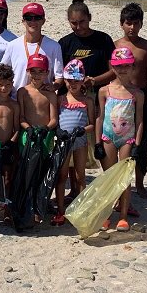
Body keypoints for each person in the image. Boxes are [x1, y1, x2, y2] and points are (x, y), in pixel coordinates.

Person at [95, 47, 145, 231]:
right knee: (109, 178)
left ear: (132, 67)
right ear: (112, 67)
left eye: (126, 66)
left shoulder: (137, 94)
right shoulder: (104, 91)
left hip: (127, 139)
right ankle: (106, 214)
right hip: (108, 137)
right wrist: (98, 141)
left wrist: (138, 144)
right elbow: (100, 117)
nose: (122, 69)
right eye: (118, 66)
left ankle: (123, 215)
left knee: (124, 178)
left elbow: (139, 121)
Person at [114, 3, 147, 198]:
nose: (132, 27)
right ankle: (120, 184)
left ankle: (140, 184)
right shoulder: (115, 45)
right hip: (120, 98)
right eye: (128, 23)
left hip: (142, 96)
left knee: (141, 145)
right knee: (120, 140)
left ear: (141, 24)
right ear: (122, 24)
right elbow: (111, 74)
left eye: (136, 23)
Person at [53, 59, 95, 225]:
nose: (73, 84)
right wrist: (58, 130)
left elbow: (92, 123)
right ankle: (60, 210)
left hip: (80, 141)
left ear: (82, 80)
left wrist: (83, 130)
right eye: (70, 80)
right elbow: (55, 119)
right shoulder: (60, 99)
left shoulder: (88, 101)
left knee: (80, 176)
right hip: (63, 142)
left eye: (77, 80)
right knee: (62, 176)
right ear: (65, 80)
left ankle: (81, 209)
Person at [0, 3, 64, 89]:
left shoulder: (54, 46)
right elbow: (3, 72)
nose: (33, 21)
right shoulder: (12, 45)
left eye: (37, 18)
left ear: (43, 21)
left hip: (42, 99)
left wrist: (53, 87)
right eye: (29, 18)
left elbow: (59, 77)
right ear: (23, 21)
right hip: (17, 99)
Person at [57, 0, 115, 91]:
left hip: (97, 96)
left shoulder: (104, 39)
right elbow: (58, 74)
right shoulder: (64, 43)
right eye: (74, 23)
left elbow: (114, 71)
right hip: (70, 98)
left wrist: (93, 81)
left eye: (82, 22)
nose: (78, 27)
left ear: (89, 17)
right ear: (69, 21)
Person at [0, 64, 20, 213]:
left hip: (8, 146)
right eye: (0, 84)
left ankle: (7, 209)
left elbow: (17, 127)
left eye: (8, 85)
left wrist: (12, 142)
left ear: (12, 84)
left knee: (8, 178)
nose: (4, 88)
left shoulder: (14, 105)